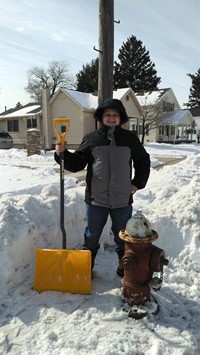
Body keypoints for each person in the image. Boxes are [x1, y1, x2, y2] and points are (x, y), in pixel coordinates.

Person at [54, 98, 150, 276]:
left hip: (122, 198)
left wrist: (137, 183)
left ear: (121, 118)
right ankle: (85, 268)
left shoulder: (130, 139)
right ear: (101, 117)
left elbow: (143, 161)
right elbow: (77, 164)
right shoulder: (92, 139)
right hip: (96, 198)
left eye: (115, 115)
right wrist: (62, 154)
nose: (111, 118)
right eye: (108, 115)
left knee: (123, 235)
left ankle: (125, 265)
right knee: (91, 234)